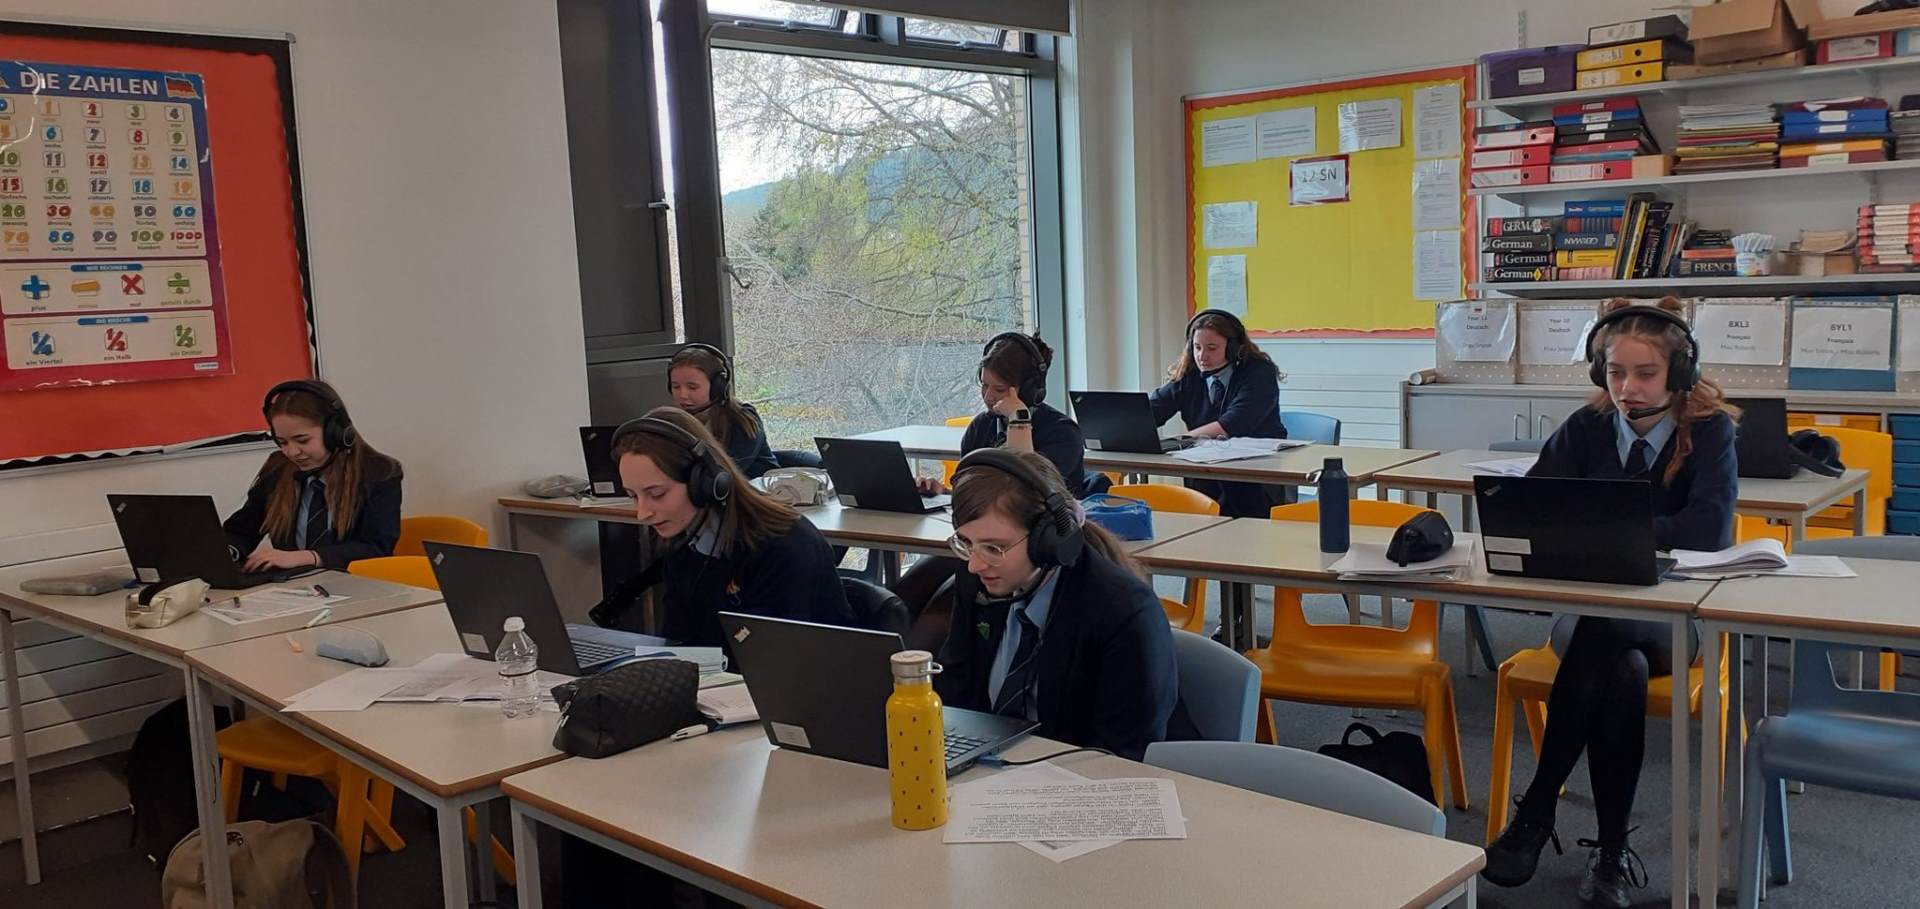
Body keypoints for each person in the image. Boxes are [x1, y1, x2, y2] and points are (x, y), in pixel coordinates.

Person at [1481, 298, 1738, 908]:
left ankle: (1537, 810)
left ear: (1679, 373)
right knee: (1620, 665)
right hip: (1588, 619)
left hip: (1675, 621)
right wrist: (1634, 530)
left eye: (1645, 373)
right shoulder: (1586, 428)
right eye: (1616, 372)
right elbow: (1534, 509)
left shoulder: (1710, 432)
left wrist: (1608, 527)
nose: (1627, 388)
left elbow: (1708, 531)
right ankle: (1612, 854)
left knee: (1611, 640)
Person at [934, 449, 1176, 761]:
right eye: (967, 543)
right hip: (993, 770)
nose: (975, 564)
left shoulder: (1124, 612)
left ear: (1048, 540)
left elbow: (1121, 753)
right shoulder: (977, 582)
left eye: (995, 547)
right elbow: (954, 691)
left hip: (1084, 777)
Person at [587, 406, 852, 647]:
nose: (642, 513)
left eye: (657, 494)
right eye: (633, 496)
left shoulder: (784, 547)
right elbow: (678, 643)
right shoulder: (686, 540)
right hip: (716, 681)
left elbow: (774, 662)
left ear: (704, 481)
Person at [223, 380, 404, 571]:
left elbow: (377, 548)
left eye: (302, 440)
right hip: (294, 586)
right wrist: (228, 551)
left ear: (336, 433)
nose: (292, 452)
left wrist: (308, 557)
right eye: (282, 442)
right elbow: (242, 530)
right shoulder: (278, 468)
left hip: (355, 581)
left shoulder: (380, 473)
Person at [918, 332, 1108, 498]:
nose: (988, 396)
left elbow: (1025, 495)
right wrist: (944, 494)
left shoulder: (1062, 433)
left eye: (999, 389)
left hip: (1045, 524)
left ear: (1030, 391)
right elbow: (973, 495)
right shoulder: (981, 426)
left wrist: (1018, 420)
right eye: (984, 385)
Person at [1148, 308, 1288, 517]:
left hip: (1254, 477)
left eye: (1212, 348)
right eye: (1197, 347)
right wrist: (1123, 427)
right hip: (1205, 474)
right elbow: (1154, 410)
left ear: (1233, 348)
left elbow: (1233, 423)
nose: (1202, 356)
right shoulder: (1190, 374)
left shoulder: (1258, 372)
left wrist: (1179, 441)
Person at [668, 342, 777, 479]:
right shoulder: (673, 421)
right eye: (676, 387)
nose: (683, 395)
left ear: (717, 387)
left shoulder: (742, 419)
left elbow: (720, 474)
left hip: (754, 489)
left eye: (692, 387)